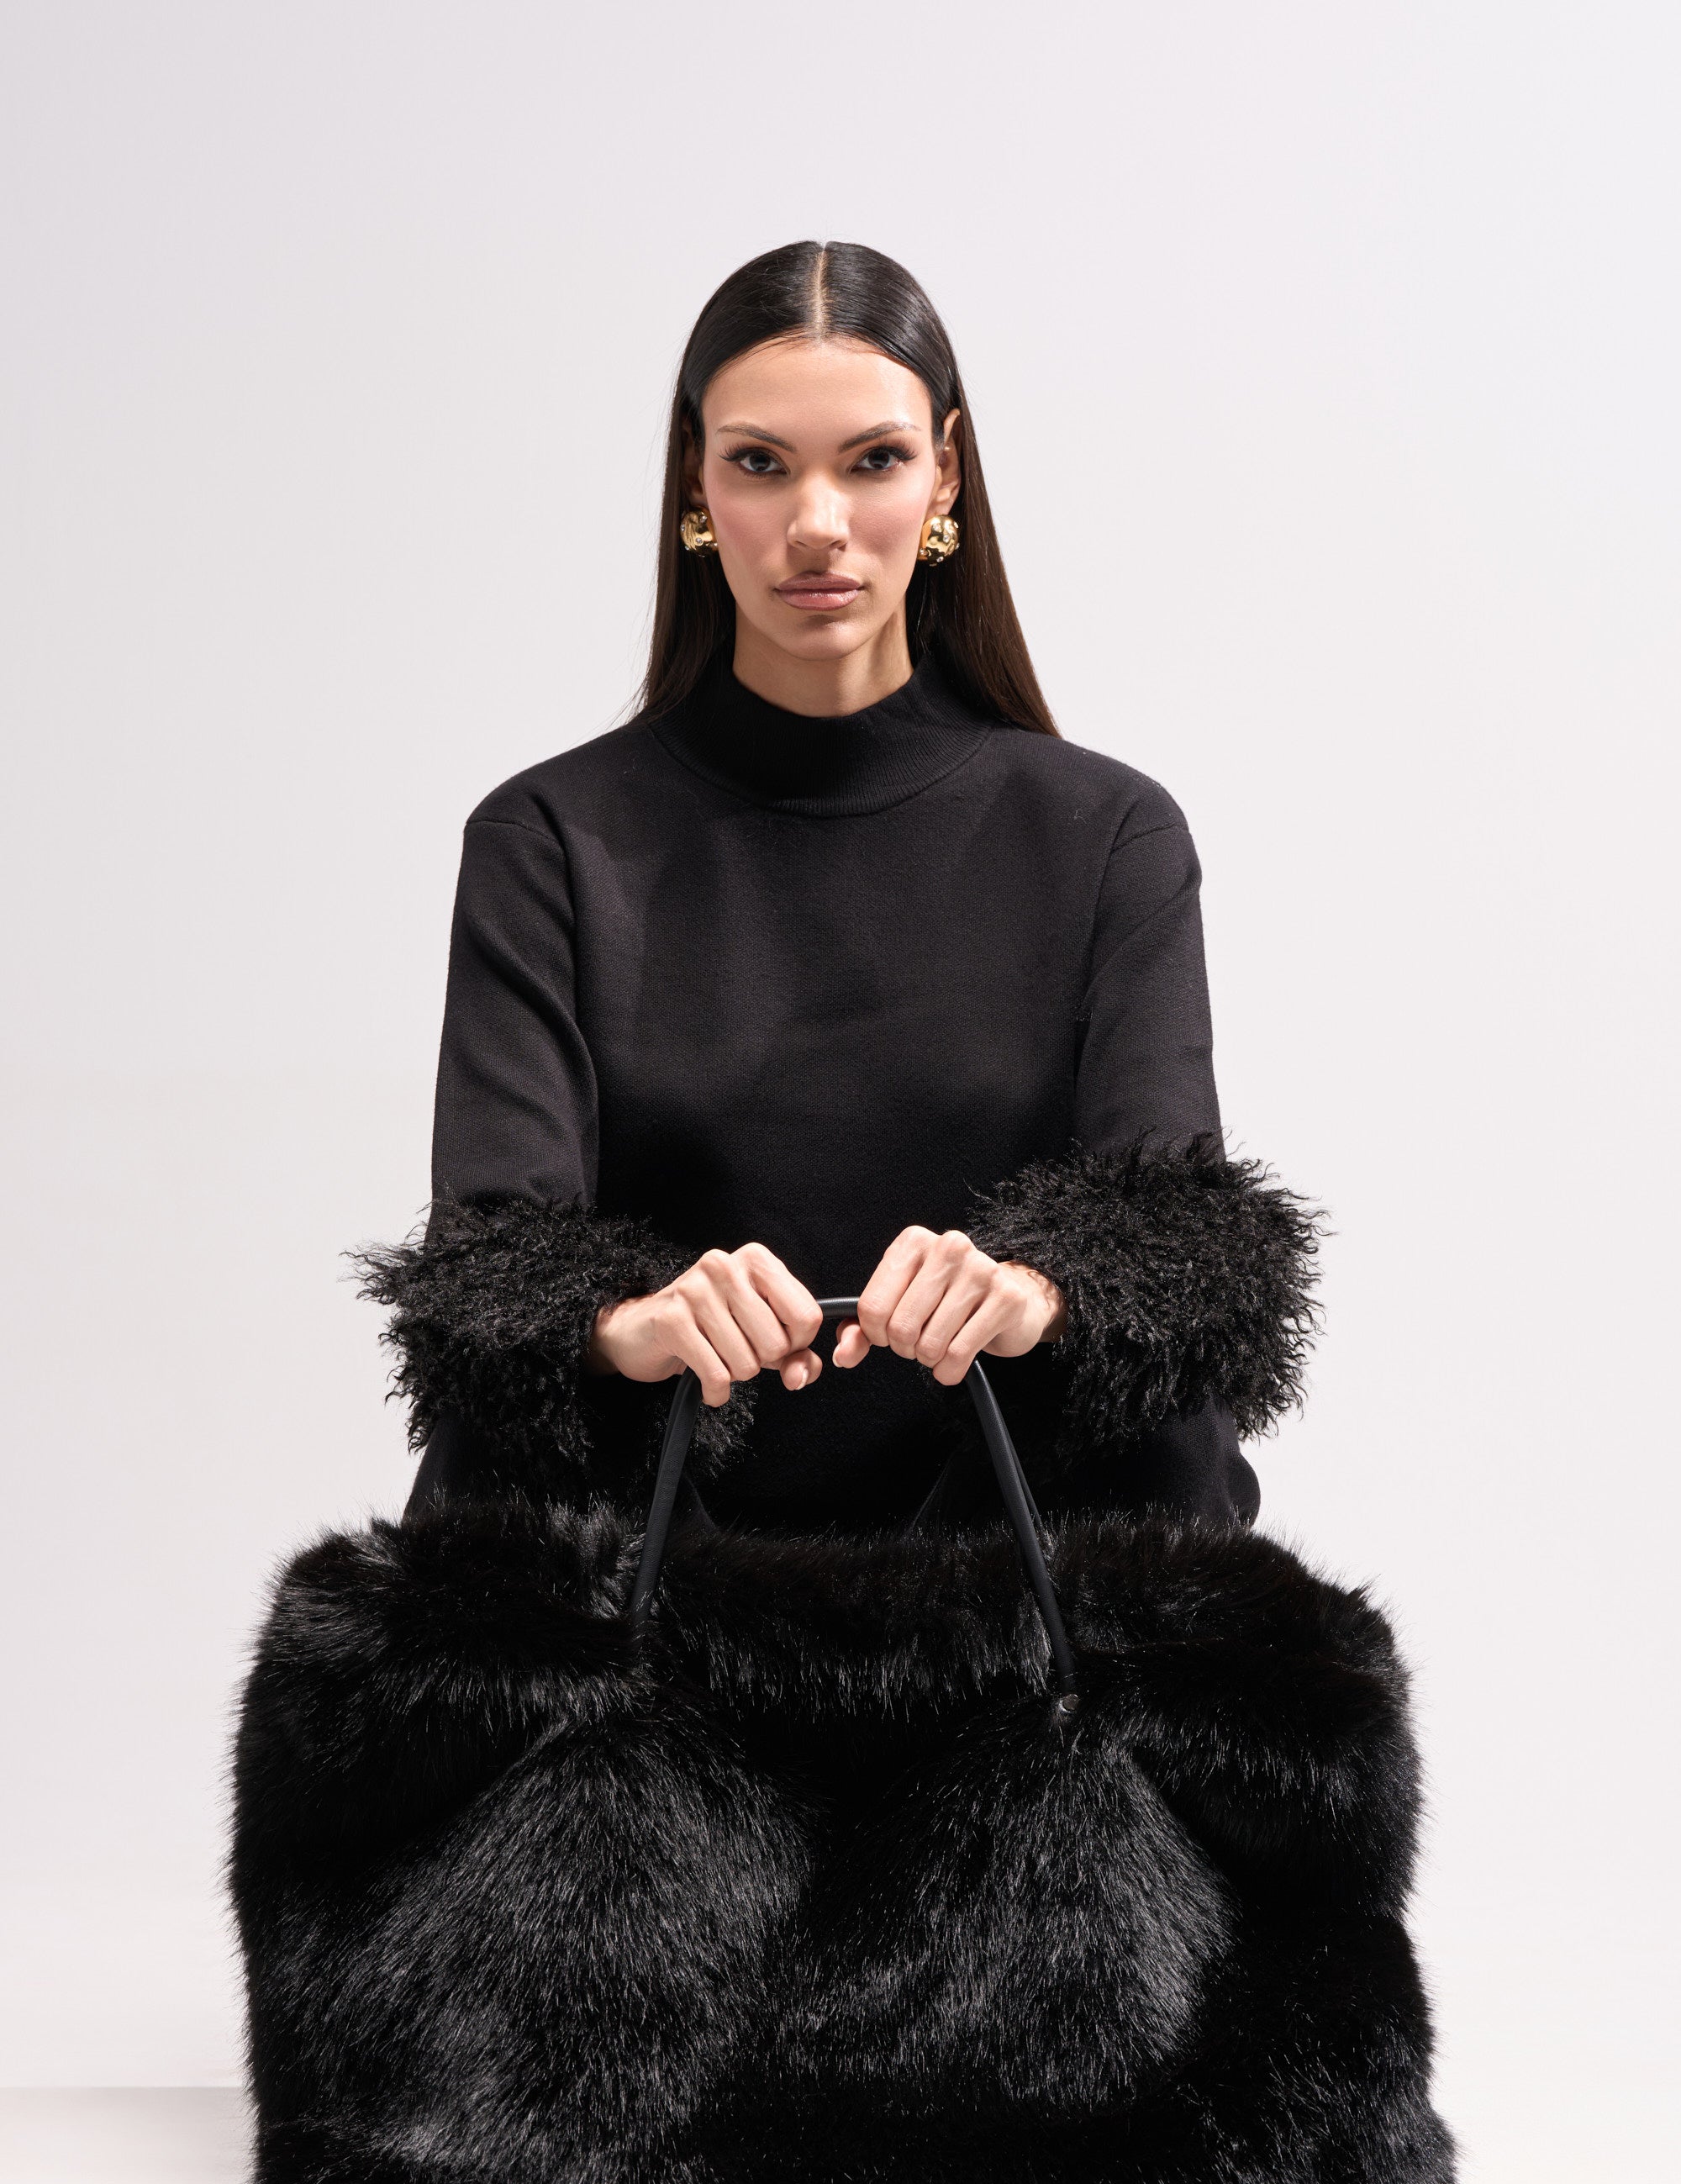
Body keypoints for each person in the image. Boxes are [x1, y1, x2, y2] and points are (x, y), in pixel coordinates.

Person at [391, 239, 1267, 1542]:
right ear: (696, 483)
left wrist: (1036, 1296)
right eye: (759, 464)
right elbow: (495, 1254)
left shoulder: (1105, 835)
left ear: (946, 474)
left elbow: (1176, 1237)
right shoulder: (553, 839)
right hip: (651, 1599)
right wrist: (630, 1328)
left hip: (1026, 1597)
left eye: (873, 460)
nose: (817, 523)